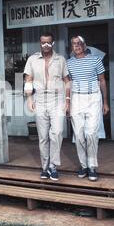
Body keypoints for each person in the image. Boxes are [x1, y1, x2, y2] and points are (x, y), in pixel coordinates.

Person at [24, 33, 70, 181]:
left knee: (57, 132)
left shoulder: (60, 59)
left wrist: (68, 100)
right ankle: (45, 167)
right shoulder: (32, 59)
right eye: (43, 42)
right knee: (43, 136)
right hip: (40, 99)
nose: (45, 45)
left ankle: (53, 166)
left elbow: (67, 81)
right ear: (40, 43)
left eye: (48, 42)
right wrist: (30, 98)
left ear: (53, 43)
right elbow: (28, 79)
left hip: (57, 99)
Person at [67, 35, 109, 181]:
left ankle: (92, 166)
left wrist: (105, 102)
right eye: (74, 44)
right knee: (78, 135)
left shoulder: (96, 60)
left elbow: (102, 81)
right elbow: (68, 84)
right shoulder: (69, 63)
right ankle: (83, 165)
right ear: (71, 47)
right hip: (76, 98)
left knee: (91, 133)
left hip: (93, 97)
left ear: (84, 45)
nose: (77, 46)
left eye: (79, 43)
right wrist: (67, 103)